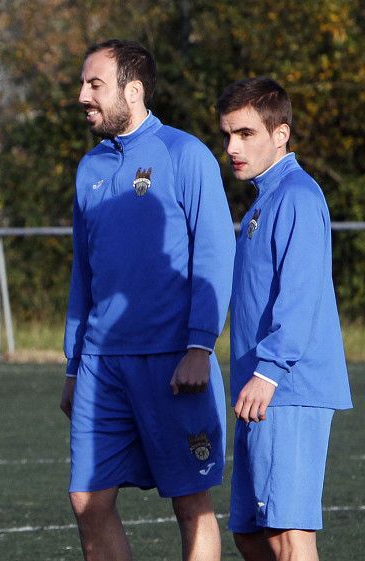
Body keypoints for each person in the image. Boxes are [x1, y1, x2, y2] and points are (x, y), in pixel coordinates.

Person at [60, 39, 235, 561]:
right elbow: (83, 274)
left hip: (173, 361)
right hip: (100, 365)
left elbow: (214, 253)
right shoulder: (89, 168)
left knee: (191, 504)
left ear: (132, 90)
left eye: (95, 84)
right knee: (87, 500)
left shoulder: (184, 154)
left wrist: (200, 347)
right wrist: (74, 364)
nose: (82, 95)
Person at [216, 77, 353, 561]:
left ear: (281, 134)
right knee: (252, 534)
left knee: (290, 538)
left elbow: (300, 296)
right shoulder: (265, 199)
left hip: (286, 389)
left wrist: (269, 372)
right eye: (227, 135)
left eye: (246, 134)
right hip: (261, 391)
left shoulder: (297, 195)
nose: (232, 147)